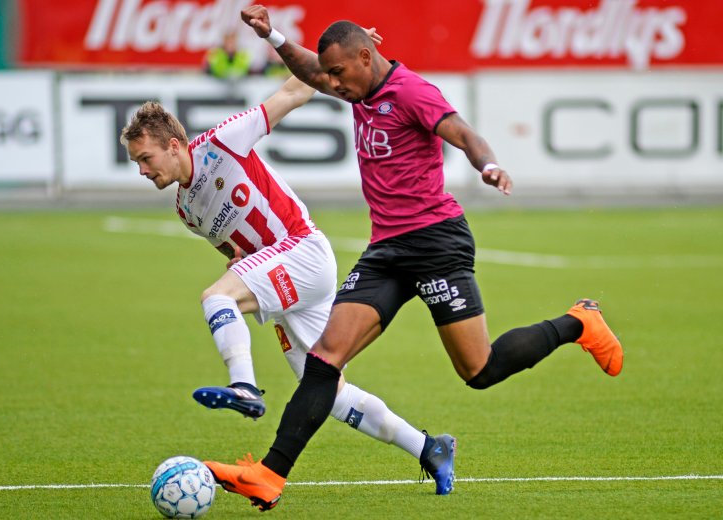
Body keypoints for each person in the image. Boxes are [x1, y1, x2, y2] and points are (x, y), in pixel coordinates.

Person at [202, 5, 625, 512]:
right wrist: (272, 36)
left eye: (339, 73)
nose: (332, 84)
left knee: (479, 369)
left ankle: (579, 322)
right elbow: (308, 69)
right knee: (324, 360)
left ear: (366, 56)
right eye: (329, 74)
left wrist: (488, 165)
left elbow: (464, 133)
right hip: (387, 250)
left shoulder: (412, 91)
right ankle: (269, 475)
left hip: (437, 243)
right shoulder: (353, 85)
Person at [119, 73, 457, 502]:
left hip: (303, 252)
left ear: (173, 145)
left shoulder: (223, 142)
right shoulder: (186, 209)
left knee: (217, 297)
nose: (144, 171)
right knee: (330, 394)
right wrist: (240, 263)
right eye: (137, 164)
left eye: (146, 158)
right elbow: (240, 253)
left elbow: (294, 91)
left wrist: (337, 63)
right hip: (288, 283)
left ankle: (243, 386)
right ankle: (431, 448)